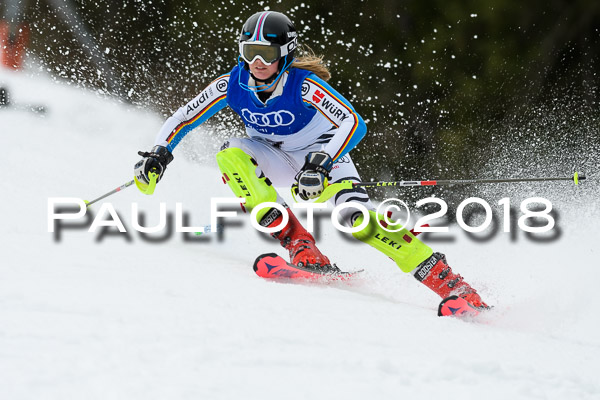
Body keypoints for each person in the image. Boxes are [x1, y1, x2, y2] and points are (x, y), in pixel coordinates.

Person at [134, 11, 488, 310]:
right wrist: (159, 154)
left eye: (266, 54)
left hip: (321, 160)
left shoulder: (303, 85)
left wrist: (320, 164)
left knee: (356, 221)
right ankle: (300, 245)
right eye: (250, 52)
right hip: (272, 157)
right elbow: (184, 116)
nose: (257, 63)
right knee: (231, 154)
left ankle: (453, 287)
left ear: (285, 53)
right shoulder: (232, 84)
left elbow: (353, 122)